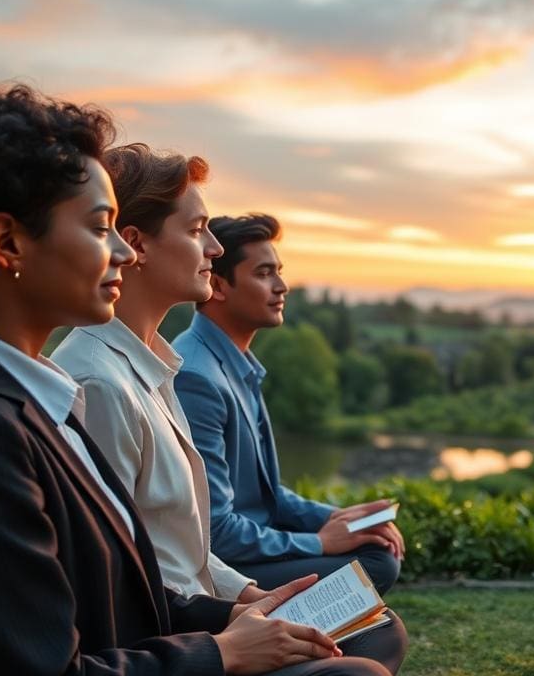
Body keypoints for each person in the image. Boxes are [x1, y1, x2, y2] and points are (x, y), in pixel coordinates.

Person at [0, 83, 403, 676]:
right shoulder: (72, 393)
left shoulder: (69, 387)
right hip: (135, 675)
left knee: (371, 655)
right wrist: (222, 649)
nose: (122, 255)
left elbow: (130, 572)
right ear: (10, 244)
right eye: (102, 230)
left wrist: (241, 606)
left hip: (164, 639)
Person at [50, 143, 261, 602]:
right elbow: (117, 570)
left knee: (376, 632)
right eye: (197, 230)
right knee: (359, 666)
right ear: (137, 244)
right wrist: (229, 630)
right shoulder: (97, 383)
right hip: (173, 640)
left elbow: (178, 549)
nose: (216, 247)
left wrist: (249, 595)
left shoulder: (153, 365)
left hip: (202, 615)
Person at [173, 213, 406, 593]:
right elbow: (214, 530)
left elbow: (268, 496)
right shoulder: (196, 377)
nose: (282, 286)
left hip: (255, 541)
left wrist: (340, 518)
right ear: (218, 285)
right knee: (375, 562)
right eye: (264, 274)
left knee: (374, 545)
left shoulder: (235, 363)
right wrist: (319, 542)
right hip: (224, 569)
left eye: (278, 271)